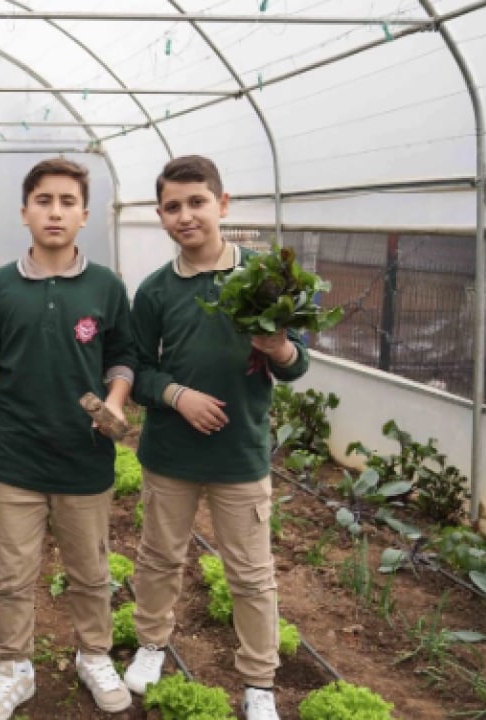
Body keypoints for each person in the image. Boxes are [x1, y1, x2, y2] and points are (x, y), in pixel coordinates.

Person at [0, 158, 137, 718]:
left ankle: (94, 655)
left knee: (91, 569)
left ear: (85, 214)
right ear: (24, 211)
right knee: (12, 570)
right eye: (44, 201)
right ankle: (14, 666)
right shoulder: (0, 286)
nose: (55, 212)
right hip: (15, 457)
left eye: (67, 202)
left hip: (84, 457)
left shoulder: (106, 286)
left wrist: (115, 405)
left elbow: (122, 356)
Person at [124, 155, 309, 720]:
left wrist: (278, 348)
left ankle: (259, 682)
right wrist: (177, 395)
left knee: (251, 576)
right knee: (158, 557)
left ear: (222, 205)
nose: (186, 216)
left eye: (197, 202)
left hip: (240, 453)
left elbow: (297, 363)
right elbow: (135, 370)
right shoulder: (156, 291)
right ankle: (152, 645)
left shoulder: (262, 278)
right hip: (170, 453)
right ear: (160, 215)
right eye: (173, 207)